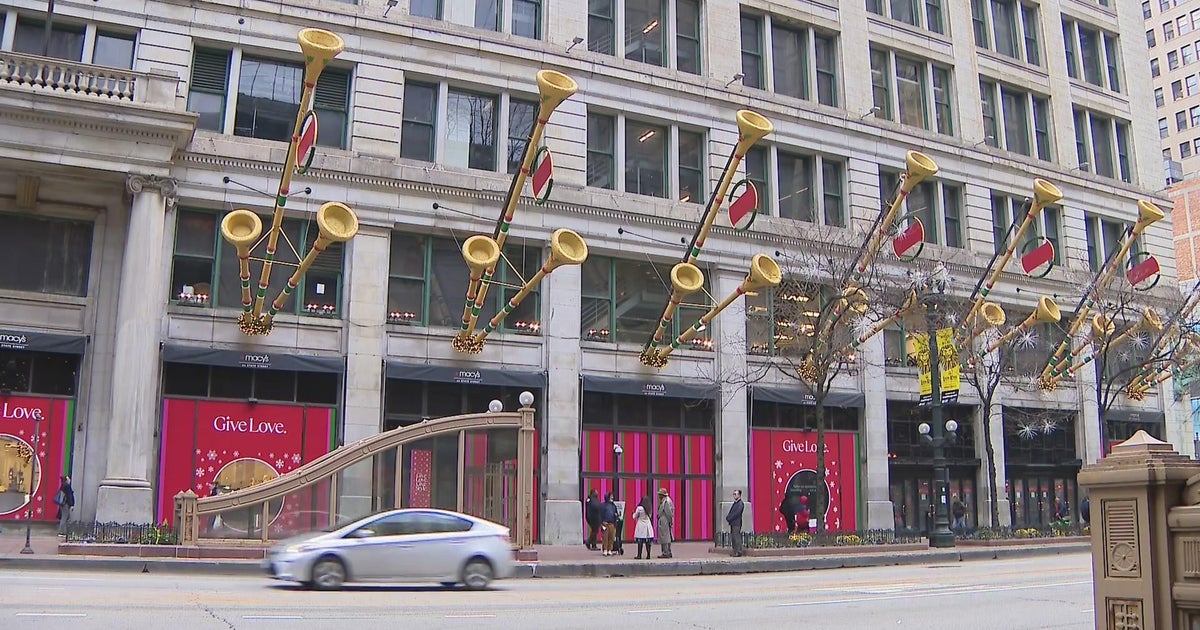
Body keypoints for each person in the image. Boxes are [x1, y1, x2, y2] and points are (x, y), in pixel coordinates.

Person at [656, 488, 675, 558]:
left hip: (665, 521)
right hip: (665, 520)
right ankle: (667, 551)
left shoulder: (666, 502)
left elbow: (669, 513)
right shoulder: (666, 500)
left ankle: (666, 552)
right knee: (666, 536)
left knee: (665, 537)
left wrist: (670, 521)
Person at [726, 489, 745, 557]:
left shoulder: (740, 504)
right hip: (732, 523)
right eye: (733, 494)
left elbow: (736, 513)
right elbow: (731, 512)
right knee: (733, 538)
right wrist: (728, 517)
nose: (734, 495)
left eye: (735, 494)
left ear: (739, 495)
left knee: (737, 537)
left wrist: (730, 518)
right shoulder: (735, 503)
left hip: (737, 523)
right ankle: (735, 551)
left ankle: (738, 551)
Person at [600, 492, 618, 556]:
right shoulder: (603, 505)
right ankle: (605, 549)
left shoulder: (613, 505)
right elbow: (600, 515)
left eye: (612, 496)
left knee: (611, 537)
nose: (612, 498)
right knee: (605, 537)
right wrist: (601, 523)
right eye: (611, 496)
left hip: (612, 523)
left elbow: (616, 513)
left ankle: (609, 549)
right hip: (605, 523)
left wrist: (616, 515)